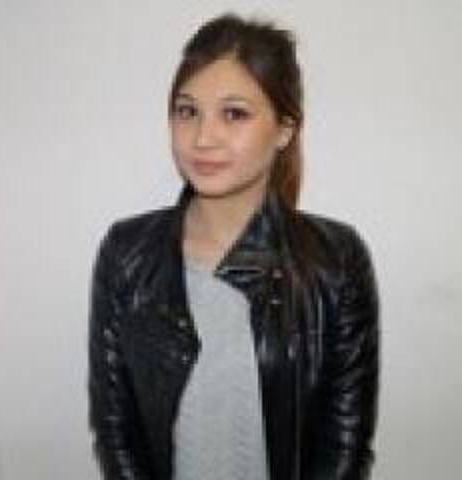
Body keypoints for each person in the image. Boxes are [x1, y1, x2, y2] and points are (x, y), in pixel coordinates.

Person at [88, 12, 380, 480]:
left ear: (285, 129)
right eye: (187, 111)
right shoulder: (126, 254)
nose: (203, 138)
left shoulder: (336, 260)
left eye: (234, 113)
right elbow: (115, 430)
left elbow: (343, 443)